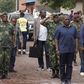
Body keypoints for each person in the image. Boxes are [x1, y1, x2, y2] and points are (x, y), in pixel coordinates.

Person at [55, 15, 78, 84]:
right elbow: (56, 39)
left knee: (69, 65)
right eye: (65, 19)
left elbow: (76, 38)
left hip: (71, 50)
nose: (67, 20)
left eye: (68, 19)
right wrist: (57, 49)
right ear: (63, 21)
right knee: (62, 65)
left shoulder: (74, 28)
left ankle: (68, 79)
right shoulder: (59, 29)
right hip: (62, 50)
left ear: (70, 20)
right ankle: (62, 79)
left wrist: (76, 48)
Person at [0, 13, 14, 79]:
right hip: (1, 45)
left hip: (8, 45)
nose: (4, 17)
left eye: (5, 16)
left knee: (7, 60)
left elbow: (13, 35)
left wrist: (13, 43)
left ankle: (6, 74)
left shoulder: (10, 25)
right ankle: (1, 74)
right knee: (1, 60)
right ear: (1, 17)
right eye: (3, 16)